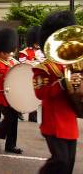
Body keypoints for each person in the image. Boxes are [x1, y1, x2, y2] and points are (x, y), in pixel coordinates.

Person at [33, 11, 79, 174]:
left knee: (69, 164)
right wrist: (61, 84)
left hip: (69, 119)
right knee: (60, 160)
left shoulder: (75, 64)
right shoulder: (44, 67)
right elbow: (40, 93)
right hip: (53, 121)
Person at [0, 28, 23, 154]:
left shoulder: (14, 62)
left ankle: (11, 145)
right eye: (6, 52)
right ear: (0, 52)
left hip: (14, 96)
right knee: (9, 118)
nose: (9, 54)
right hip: (2, 97)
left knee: (14, 121)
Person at [19, 26, 41, 122]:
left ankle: (33, 116)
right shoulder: (24, 52)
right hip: (27, 76)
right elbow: (22, 63)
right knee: (25, 96)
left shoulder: (42, 52)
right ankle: (18, 110)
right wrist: (33, 62)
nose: (38, 44)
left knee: (35, 96)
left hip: (37, 77)